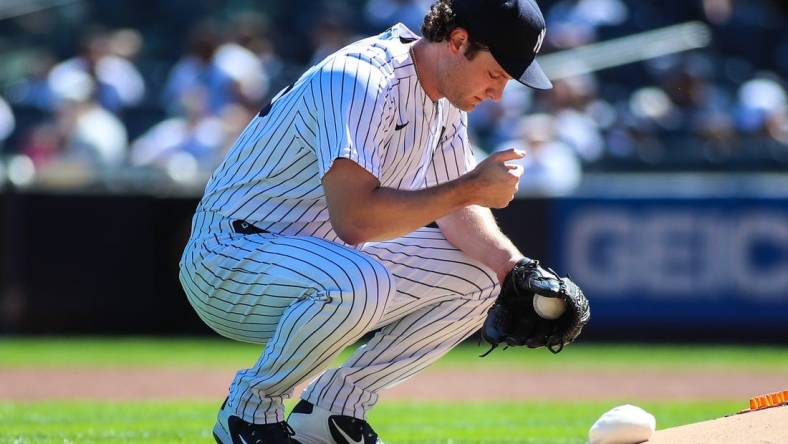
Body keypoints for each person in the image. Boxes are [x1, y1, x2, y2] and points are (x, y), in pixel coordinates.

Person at [179, 0, 553, 442]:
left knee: (482, 276)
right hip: (228, 260)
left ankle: (331, 410)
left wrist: (517, 270)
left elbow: (456, 210)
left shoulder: (445, 98)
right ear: (457, 41)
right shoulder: (362, 78)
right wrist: (470, 186)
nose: (498, 93)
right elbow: (355, 220)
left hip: (317, 260)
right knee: (360, 281)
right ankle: (249, 411)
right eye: (496, 74)